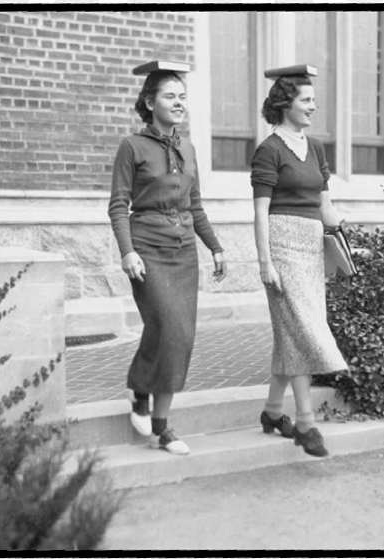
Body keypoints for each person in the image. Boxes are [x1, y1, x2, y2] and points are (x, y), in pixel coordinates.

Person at [108, 60, 227, 455]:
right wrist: (127, 251)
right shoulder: (132, 146)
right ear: (149, 101)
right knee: (166, 326)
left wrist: (216, 246)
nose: (179, 104)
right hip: (147, 249)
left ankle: (158, 420)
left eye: (182, 97)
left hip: (184, 252)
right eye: (170, 96)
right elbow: (118, 205)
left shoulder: (188, 148)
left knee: (180, 336)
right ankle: (145, 398)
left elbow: (195, 206)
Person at [251, 64, 349, 457]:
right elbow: (260, 212)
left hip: (310, 247)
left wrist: (346, 238)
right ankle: (306, 424)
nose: (313, 106)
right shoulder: (269, 150)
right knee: (304, 330)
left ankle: (273, 413)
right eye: (306, 100)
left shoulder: (317, 147)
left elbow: (325, 206)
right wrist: (264, 262)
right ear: (285, 103)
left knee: (293, 332)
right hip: (280, 245)